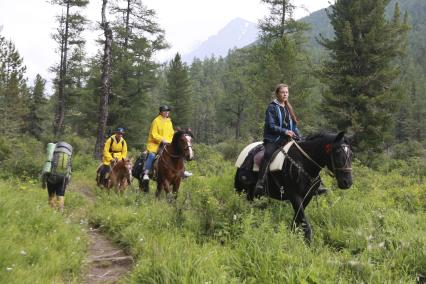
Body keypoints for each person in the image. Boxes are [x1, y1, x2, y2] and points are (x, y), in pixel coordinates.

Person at [254, 83, 301, 195]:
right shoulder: (272, 107)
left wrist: (299, 136)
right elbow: (271, 125)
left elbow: (293, 126)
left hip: (288, 139)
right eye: (282, 92)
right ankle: (260, 183)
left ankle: (317, 184)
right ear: (277, 94)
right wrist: (285, 131)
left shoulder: (288, 107)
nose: (285, 94)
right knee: (268, 154)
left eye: (286, 92)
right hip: (274, 139)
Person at [142, 105, 192, 180]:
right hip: (155, 143)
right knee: (152, 155)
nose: (167, 112)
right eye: (165, 111)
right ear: (161, 112)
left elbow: (171, 133)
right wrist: (162, 139)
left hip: (168, 142)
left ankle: (182, 171)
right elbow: (153, 134)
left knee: (179, 153)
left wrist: (173, 139)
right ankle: (146, 173)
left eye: (168, 111)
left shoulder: (169, 121)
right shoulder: (156, 121)